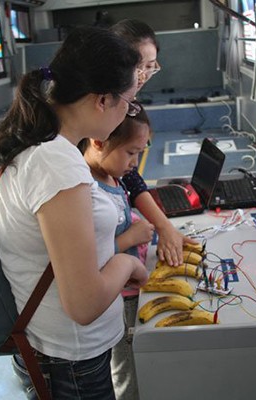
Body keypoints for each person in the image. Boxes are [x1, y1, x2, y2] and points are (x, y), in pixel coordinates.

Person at [0, 26, 148, 400]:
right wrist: (129, 266)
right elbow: (83, 304)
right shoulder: (57, 162)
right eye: (129, 103)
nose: (128, 113)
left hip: (54, 350)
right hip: (71, 362)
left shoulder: (32, 141)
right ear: (102, 100)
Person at [80, 105, 155, 400]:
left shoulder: (112, 178)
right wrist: (128, 239)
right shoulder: (87, 191)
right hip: (117, 297)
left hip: (131, 286)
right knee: (126, 371)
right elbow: (87, 257)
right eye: (130, 153)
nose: (135, 163)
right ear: (98, 142)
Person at [110, 19, 198, 268]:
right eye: (139, 67)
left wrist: (164, 226)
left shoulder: (127, 103)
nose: (143, 76)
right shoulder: (105, 113)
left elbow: (131, 177)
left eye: (150, 67)